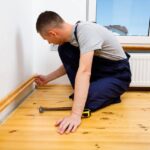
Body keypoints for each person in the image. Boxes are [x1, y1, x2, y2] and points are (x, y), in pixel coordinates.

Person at [35, 11, 131, 135]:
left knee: (84, 102)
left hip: (118, 75)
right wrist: (47, 78)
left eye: (47, 39)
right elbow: (71, 65)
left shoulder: (86, 32)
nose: (49, 43)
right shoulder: (72, 39)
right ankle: (93, 91)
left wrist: (75, 115)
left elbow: (84, 71)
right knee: (64, 49)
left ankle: (109, 93)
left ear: (52, 33)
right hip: (101, 72)